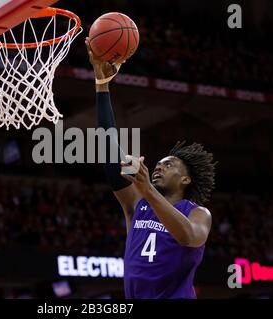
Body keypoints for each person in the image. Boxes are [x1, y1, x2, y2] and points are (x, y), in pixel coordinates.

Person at [86, 38, 217, 299]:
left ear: (186, 179)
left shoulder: (198, 213)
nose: (159, 166)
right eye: (158, 164)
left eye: (169, 165)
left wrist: (146, 188)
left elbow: (189, 237)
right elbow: (107, 146)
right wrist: (102, 85)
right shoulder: (137, 204)